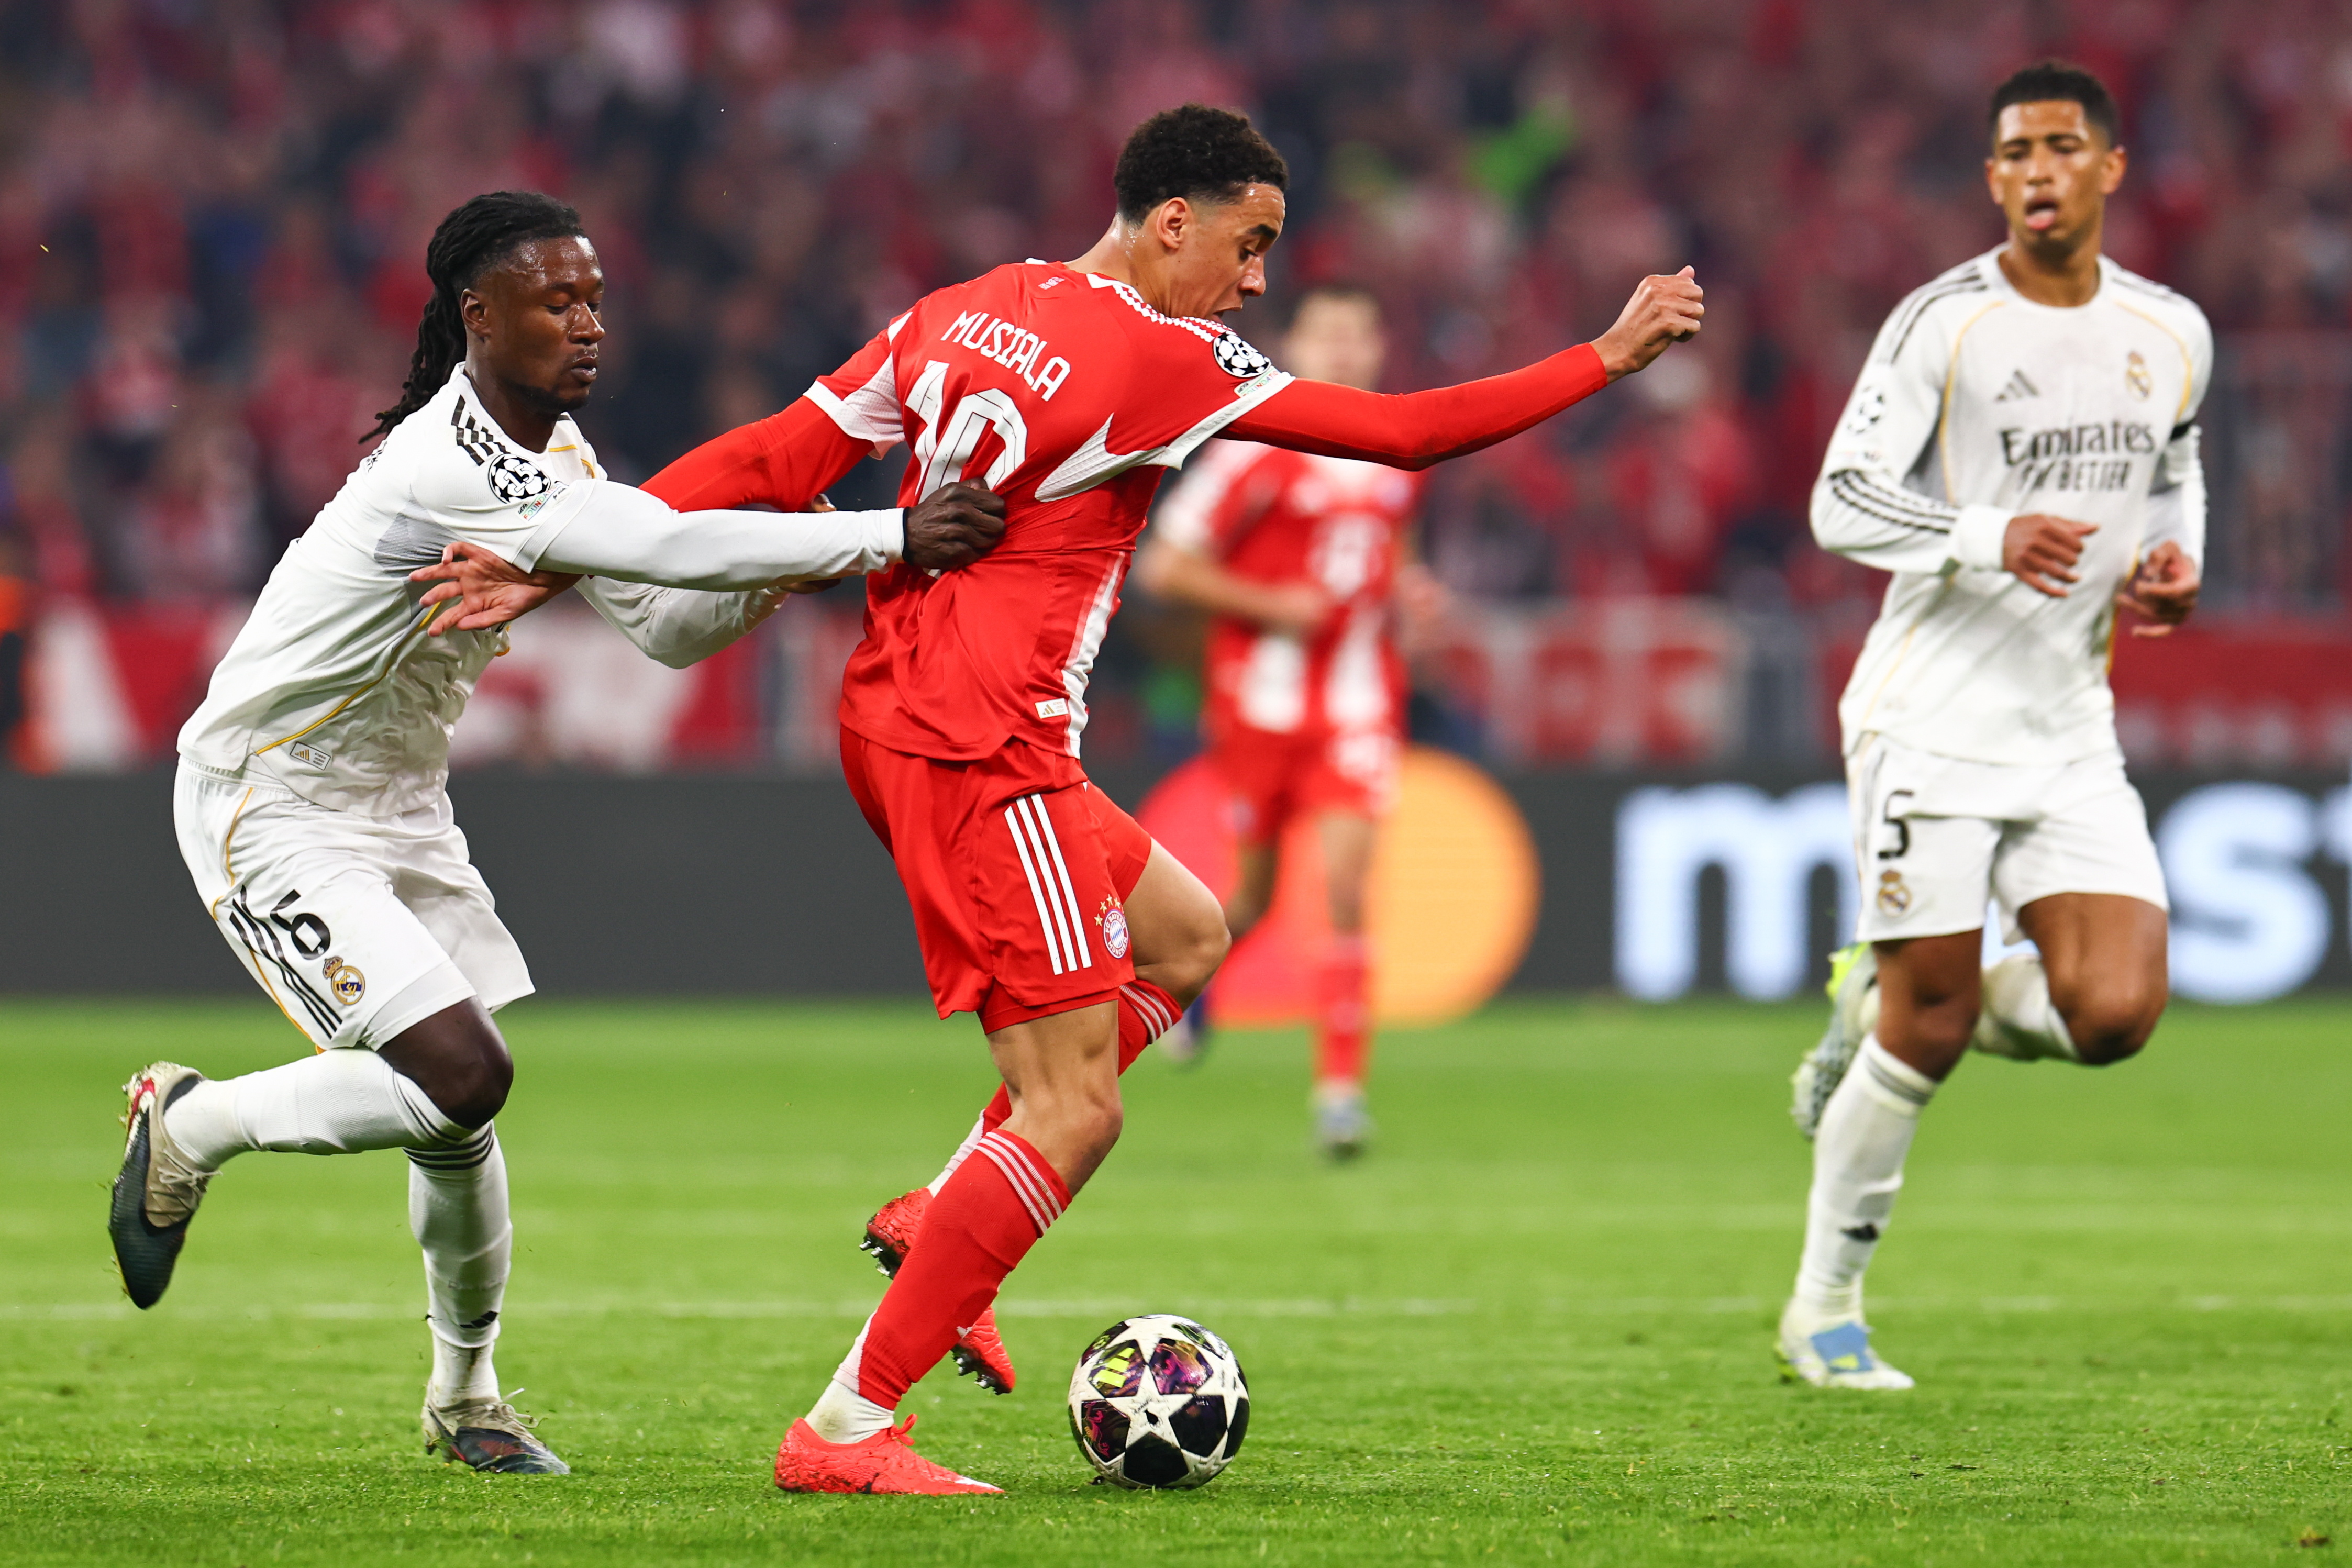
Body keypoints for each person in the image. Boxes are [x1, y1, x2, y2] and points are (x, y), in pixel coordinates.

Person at [420, 104, 1701, 1494]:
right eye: (1249, 245)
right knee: (1076, 1111)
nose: (1257, 282)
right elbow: (1401, 433)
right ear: (1172, 223)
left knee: (1186, 938)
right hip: (986, 745)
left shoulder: (964, 311)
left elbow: (772, 459)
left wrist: (561, 560)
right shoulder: (1173, 357)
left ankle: (947, 1217)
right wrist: (1604, 356)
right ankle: (845, 1427)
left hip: (894, 713)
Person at [113, 191, 1004, 1475]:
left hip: (399, 801)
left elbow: (662, 617)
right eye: (554, 300)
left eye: (593, 299)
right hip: (272, 797)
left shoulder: (556, 457)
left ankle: (464, 1399)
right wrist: (885, 536)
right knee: (463, 1072)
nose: (586, 324)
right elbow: (663, 544)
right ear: (478, 314)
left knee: (453, 1115)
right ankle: (186, 1126)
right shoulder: (447, 459)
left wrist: (819, 558)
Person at [1781, 61, 2208, 1390]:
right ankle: (1822, 1310)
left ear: (2107, 169)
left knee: (2116, 1010)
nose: (2035, 170)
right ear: (1991, 179)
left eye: (2060, 148)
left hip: (2069, 720)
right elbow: (1839, 500)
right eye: (2012, 152)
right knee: (1927, 1028)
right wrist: (1983, 534)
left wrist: (2171, 563)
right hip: (1930, 718)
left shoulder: (2170, 329)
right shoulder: (1941, 325)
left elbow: (2174, 465)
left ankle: (1892, 988)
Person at [1133, 284, 1439, 1156]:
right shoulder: (1255, 452)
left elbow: (1396, 554)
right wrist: (1270, 603)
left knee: (1346, 890)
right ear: (1296, 343)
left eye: (1357, 333)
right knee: (1255, 895)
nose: (1343, 349)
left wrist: (1415, 595)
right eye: (1326, 333)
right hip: (1259, 709)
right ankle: (1192, 987)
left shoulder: (1396, 452)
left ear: (1378, 347)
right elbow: (1165, 568)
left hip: (1357, 703)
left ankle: (1340, 1095)